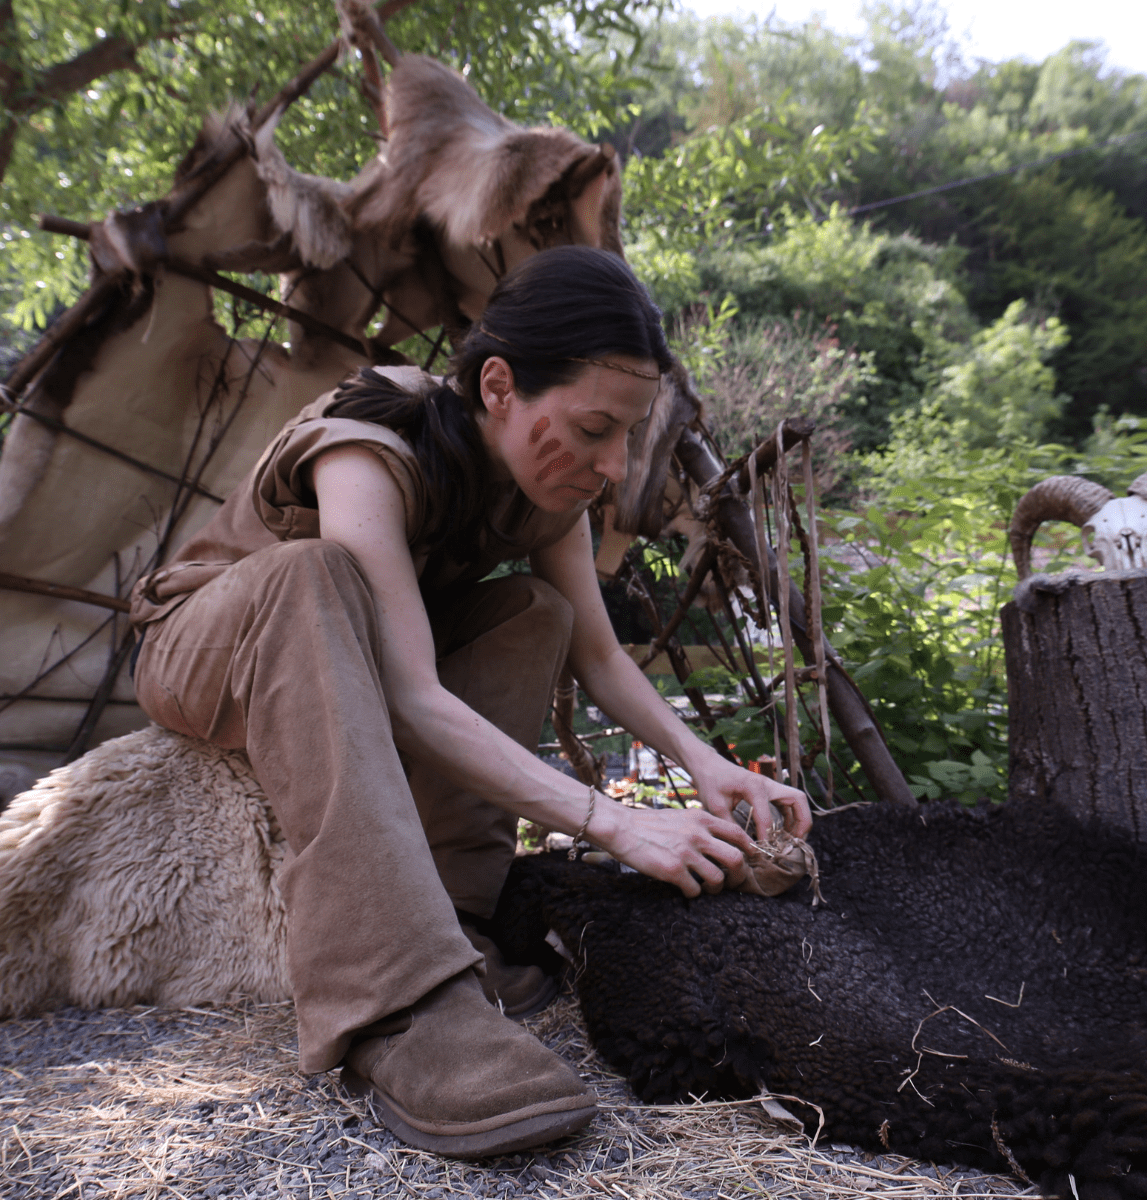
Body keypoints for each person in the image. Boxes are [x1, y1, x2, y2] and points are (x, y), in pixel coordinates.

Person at [129, 245, 812, 1158]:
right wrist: (613, 821)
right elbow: (410, 694)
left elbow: (600, 657)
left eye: (627, 436)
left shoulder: (549, 488)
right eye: (595, 428)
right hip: (209, 642)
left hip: (346, 644)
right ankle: (395, 999)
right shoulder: (374, 435)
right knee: (312, 572)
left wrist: (708, 767)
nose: (613, 466)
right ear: (498, 386)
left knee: (538, 611)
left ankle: (453, 920)